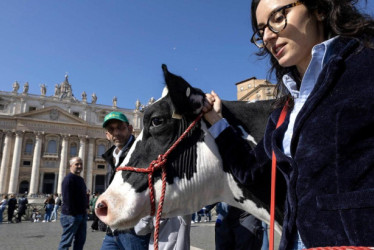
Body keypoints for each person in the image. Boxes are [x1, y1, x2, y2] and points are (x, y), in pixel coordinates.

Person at [203, 0, 374, 249]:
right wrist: (216, 121)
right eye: (261, 30)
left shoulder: (365, 66)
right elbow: (251, 172)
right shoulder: (285, 111)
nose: (269, 36)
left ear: (319, 9)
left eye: (278, 17)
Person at [100, 111, 150, 249]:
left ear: (130, 129)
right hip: (113, 228)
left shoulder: (142, 152)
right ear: (107, 135)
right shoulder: (111, 156)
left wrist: (143, 223)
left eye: (120, 128)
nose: (116, 132)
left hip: (134, 229)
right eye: (111, 129)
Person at [58, 156, 88, 250]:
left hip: (81, 214)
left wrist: (85, 209)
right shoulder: (68, 179)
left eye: (81, 164)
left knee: (80, 241)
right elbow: (67, 199)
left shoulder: (81, 179)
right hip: (71, 216)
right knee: (66, 242)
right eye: (77, 164)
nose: (79, 166)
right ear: (71, 165)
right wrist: (73, 214)